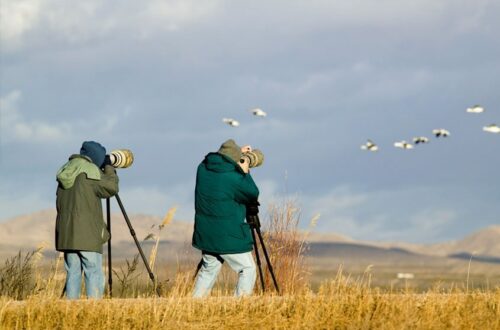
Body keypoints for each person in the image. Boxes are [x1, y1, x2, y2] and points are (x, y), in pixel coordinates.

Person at [192, 139, 260, 297]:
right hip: (228, 235)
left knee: (208, 270)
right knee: (247, 269)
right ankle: (238, 307)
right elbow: (252, 193)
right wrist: (245, 172)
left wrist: (237, 153)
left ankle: (193, 305)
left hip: (206, 235)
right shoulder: (234, 177)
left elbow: (222, 161)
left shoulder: (202, 168)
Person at [55, 141, 119, 299]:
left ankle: (71, 311)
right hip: (87, 235)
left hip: (67, 234)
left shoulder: (67, 169)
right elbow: (111, 188)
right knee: (93, 272)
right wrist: (109, 167)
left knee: (73, 273)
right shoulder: (90, 171)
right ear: (96, 157)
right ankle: (94, 311)